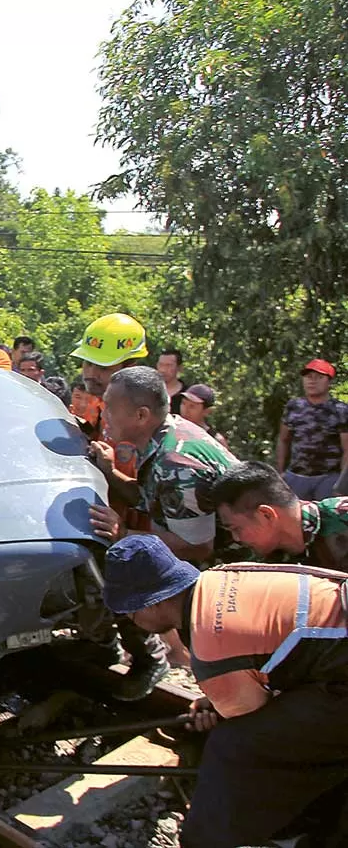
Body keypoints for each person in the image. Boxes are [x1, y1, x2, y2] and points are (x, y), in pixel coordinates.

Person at [102, 534, 348, 848]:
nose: (132, 621)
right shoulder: (221, 576)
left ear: (157, 601)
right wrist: (220, 699)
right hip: (336, 643)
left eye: (132, 611)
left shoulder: (210, 645)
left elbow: (252, 718)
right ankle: (314, 820)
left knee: (233, 746)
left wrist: (221, 709)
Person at [91, 367, 238, 565]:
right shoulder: (165, 434)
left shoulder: (176, 463)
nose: (103, 414)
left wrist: (125, 534)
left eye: (110, 407)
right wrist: (110, 472)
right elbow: (155, 499)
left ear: (141, 415)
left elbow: (197, 548)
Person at [213, 461, 347, 573]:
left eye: (236, 528)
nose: (236, 538)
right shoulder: (261, 563)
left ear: (266, 515)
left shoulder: (342, 517)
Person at [276, 359, 348, 501]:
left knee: (329, 519)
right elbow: (283, 440)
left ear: (329, 382)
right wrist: (280, 473)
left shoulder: (340, 410)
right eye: (308, 377)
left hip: (328, 479)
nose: (312, 381)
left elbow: (347, 449)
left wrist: (341, 484)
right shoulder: (294, 406)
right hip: (296, 478)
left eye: (319, 377)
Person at [68, 312, 149, 437]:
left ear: (129, 368)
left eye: (103, 367)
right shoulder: (94, 400)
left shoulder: (139, 417)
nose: (92, 374)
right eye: (88, 363)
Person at [179, 384, 229, 450]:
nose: (185, 409)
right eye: (183, 403)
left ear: (207, 411)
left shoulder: (215, 440)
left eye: (192, 406)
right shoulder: (171, 430)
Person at [155, 348, 188, 414]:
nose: (163, 370)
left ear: (179, 368)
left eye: (168, 365)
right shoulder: (150, 391)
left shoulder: (187, 395)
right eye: (161, 365)